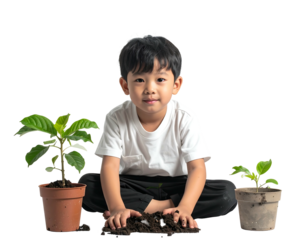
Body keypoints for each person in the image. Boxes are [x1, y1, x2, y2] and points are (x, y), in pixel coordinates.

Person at [78, 31, 238, 231]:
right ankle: (158, 208)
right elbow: (109, 167)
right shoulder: (115, 116)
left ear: (177, 85)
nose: (150, 89)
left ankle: (157, 208)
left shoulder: (186, 117)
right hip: (131, 184)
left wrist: (186, 207)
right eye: (139, 80)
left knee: (228, 193)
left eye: (160, 79)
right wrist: (117, 207)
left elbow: (198, 169)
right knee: (86, 186)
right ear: (124, 86)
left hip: (177, 185)